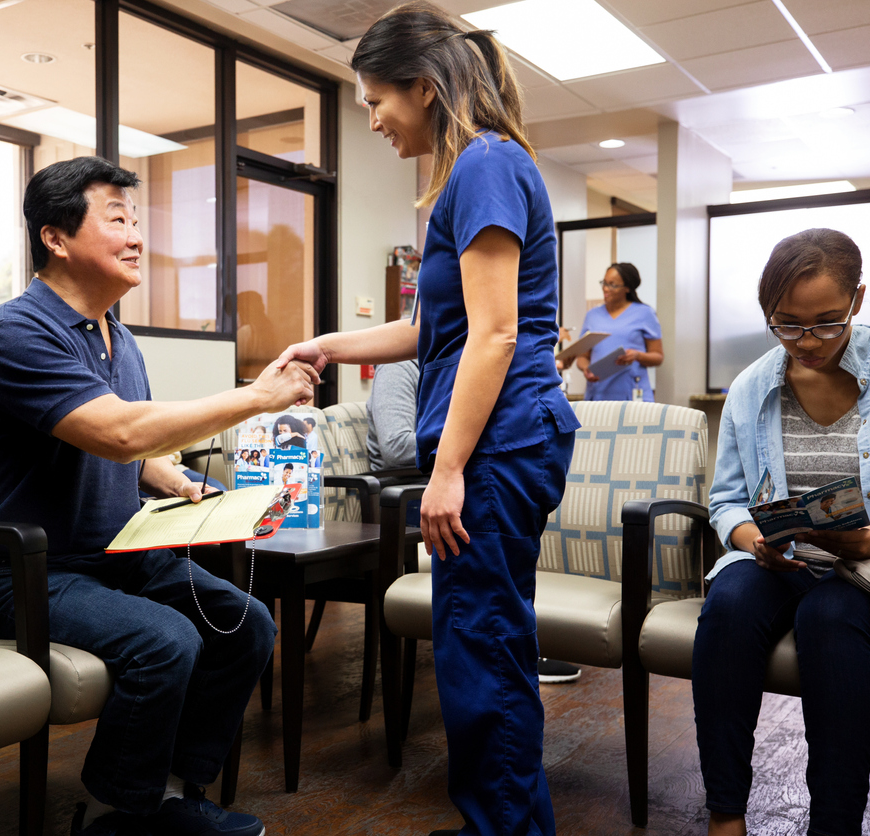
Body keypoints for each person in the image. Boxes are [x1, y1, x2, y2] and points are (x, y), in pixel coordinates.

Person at [0, 155, 320, 836]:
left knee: (248, 628)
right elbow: (117, 433)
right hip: (18, 574)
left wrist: (183, 483)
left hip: (110, 557)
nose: (136, 236)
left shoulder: (119, 338)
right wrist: (256, 398)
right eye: (116, 218)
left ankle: (172, 796)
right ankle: (118, 814)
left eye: (136, 219)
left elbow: (136, 451)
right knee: (166, 640)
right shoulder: (15, 331)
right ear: (55, 238)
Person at [276, 5, 580, 833]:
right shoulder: (474, 172)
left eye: (377, 99)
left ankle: (506, 828)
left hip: (499, 443)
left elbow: (497, 334)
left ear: (425, 87)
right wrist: (326, 344)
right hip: (508, 436)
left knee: (480, 652)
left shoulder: (483, 163)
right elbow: (428, 330)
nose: (371, 118)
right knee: (484, 645)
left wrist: (445, 471)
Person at [693, 228, 870, 836]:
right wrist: (751, 540)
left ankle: (835, 825)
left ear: (859, 300)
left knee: (828, 617)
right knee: (728, 608)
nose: (807, 342)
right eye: (786, 325)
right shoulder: (750, 388)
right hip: (779, 560)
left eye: (825, 322)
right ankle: (725, 816)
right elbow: (725, 501)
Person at [366, 359, 581, 685]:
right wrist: (465, 444)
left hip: (444, 480)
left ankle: (511, 643)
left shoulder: (458, 366)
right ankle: (497, 653)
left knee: (507, 492)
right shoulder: (400, 367)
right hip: (405, 496)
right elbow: (395, 447)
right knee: (490, 495)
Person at [575, 262, 663, 401]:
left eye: (612, 284)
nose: (605, 288)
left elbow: (658, 356)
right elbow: (582, 357)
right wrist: (587, 369)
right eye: (604, 283)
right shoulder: (592, 316)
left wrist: (637, 355)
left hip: (633, 394)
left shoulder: (645, 313)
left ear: (627, 288)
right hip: (599, 395)